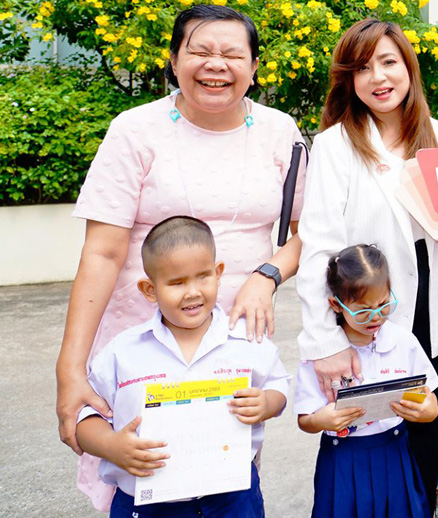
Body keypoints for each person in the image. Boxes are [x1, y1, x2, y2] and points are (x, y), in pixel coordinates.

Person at [58, 5, 306, 510]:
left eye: (232, 53)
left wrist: (267, 275)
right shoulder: (136, 130)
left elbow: (308, 231)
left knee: (222, 474)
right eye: (200, 51)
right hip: (143, 342)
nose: (216, 64)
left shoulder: (280, 132)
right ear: (173, 61)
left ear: (254, 67)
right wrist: (71, 369)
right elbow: (102, 253)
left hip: (233, 343)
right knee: (144, 469)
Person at [296, 18, 438, 514]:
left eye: (389, 62)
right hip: (365, 319)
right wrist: (325, 341)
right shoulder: (335, 145)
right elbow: (318, 247)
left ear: (408, 67)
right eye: (363, 68)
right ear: (349, 79)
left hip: (429, 314)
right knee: (367, 458)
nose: (378, 77)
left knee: (424, 453)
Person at [76, 216, 290, 518]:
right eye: (177, 282)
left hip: (232, 500)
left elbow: (279, 385)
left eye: (203, 277)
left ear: (218, 273)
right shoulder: (122, 352)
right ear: (149, 289)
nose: (192, 292)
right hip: (146, 505)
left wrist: (267, 403)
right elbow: (86, 415)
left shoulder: (247, 341)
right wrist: (110, 445)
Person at [295, 244, 438, 518]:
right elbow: (305, 420)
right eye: (363, 311)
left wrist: (428, 410)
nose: (375, 317)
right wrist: (322, 420)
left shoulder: (402, 341)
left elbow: (427, 396)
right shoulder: (321, 357)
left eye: (383, 305)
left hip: (393, 453)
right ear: (336, 304)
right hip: (342, 458)